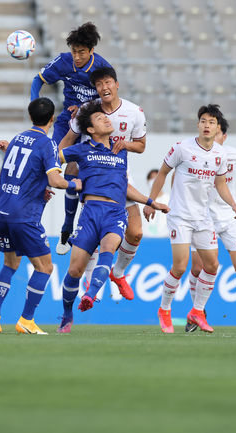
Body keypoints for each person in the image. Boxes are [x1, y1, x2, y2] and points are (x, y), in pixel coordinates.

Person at [56, 101, 169, 333]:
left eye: (106, 117)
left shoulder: (121, 151)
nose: (107, 120)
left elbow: (125, 186)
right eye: (100, 119)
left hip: (115, 213)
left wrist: (150, 201)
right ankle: (67, 315)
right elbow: (53, 158)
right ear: (90, 130)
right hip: (90, 213)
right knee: (74, 271)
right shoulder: (81, 149)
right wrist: (55, 180)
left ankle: (90, 295)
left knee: (109, 247)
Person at [144, 104, 236, 334]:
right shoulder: (182, 148)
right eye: (203, 121)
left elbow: (220, 184)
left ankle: (197, 311)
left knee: (212, 265)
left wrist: (233, 204)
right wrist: (151, 202)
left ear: (218, 128)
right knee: (179, 267)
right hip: (180, 216)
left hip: (203, 218)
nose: (207, 126)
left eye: (212, 122)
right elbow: (162, 173)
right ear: (197, 124)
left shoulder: (220, 154)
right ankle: (165, 310)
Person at [0, 98, 82, 335]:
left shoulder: (18, 138)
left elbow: (25, 171)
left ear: (30, 117)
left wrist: (41, 189)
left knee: (9, 264)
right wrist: (76, 183)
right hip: (25, 215)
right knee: (45, 267)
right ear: (52, 119)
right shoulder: (47, 143)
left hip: (3, 210)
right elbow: (55, 180)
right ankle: (26, 320)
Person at [58, 66, 147, 301]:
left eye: (108, 82)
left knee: (136, 233)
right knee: (93, 234)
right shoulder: (88, 110)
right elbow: (67, 144)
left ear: (116, 84)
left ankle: (117, 273)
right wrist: (59, 171)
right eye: (99, 85)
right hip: (94, 178)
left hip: (120, 175)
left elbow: (141, 145)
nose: (104, 88)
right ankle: (71, 237)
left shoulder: (134, 112)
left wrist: (125, 145)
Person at [30, 22, 113, 254]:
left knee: (73, 170)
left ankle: (68, 229)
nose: (76, 57)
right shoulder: (63, 61)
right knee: (49, 167)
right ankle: (32, 224)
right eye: (74, 51)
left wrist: (86, 107)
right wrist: (34, 102)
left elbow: (110, 100)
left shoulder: (103, 69)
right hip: (67, 122)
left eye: (81, 52)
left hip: (91, 125)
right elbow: (38, 80)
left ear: (91, 51)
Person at [184, 115, 236, 333]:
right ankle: (197, 312)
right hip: (201, 217)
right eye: (207, 126)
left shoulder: (234, 155)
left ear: (223, 135)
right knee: (199, 267)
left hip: (228, 217)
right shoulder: (192, 153)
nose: (211, 134)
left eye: (217, 131)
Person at [143, 169, 170, 238]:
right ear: (147, 181)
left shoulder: (170, 199)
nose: (154, 181)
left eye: (156, 179)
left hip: (166, 237)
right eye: (151, 179)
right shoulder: (143, 200)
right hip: (146, 238)